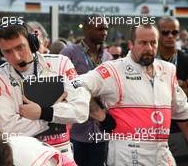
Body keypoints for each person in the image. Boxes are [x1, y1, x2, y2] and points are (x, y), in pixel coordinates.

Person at [75, 24, 188, 165]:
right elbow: (77, 84)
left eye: (153, 42)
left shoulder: (168, 70)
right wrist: (100, 115)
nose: (149, 48)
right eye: (142, 43)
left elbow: (183, 113)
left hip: (162, 154)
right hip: (127, 155)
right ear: (131, 45)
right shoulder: (113, 69)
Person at [0, 24, 91, 161]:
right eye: (7, 52)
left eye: (20, 47)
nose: (16, 57)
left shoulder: (61, 64)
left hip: (62, 156)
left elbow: (81, 111)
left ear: (32, 43)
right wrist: (56, 115)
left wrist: (43, 112)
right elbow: (10, 130)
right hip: (25, 158)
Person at [60, 14, 112, 166]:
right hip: (76, 131)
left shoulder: (108, 58)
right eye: (100, 28)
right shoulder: (68, 54)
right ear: (87, 29)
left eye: (106, 28)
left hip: (102, 132)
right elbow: (63, 87)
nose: (104, 32)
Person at [157, 16, 188, 164]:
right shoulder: (147, 58)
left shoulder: (185, 60)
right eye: (165, 32)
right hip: (151, 128)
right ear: (157, 33)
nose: (170, 36)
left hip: (179, 129)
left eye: (174, 32)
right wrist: (180, 87)